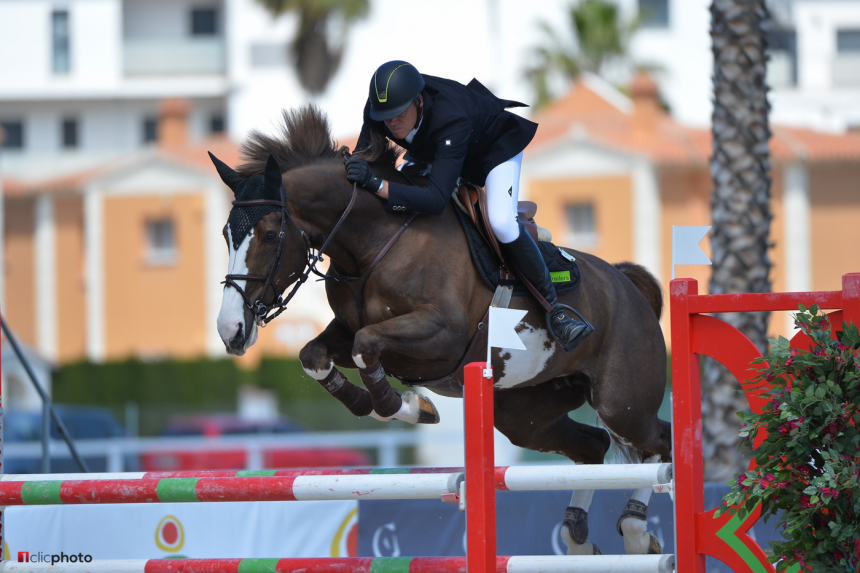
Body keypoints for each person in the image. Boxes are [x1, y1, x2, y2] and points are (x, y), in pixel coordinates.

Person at [345, 60, 592, 352]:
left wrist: (378, 185)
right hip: (439, 150)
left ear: (418, 101)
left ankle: (556, 311)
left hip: (492, 150)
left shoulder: (451, 118)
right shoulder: (383, 108)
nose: (391, 123)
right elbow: (363, 158)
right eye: (385, 117)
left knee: (501, 221)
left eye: (398, 115)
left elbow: (436, 200)